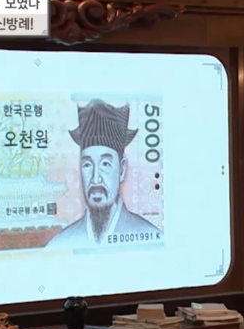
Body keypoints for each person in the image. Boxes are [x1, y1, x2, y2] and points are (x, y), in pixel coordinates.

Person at [46, 99, 161, 248]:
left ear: (122, 170)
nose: (95, 179)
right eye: (87, 165)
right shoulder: (61, 244)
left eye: (105, 164)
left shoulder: (151, 237)